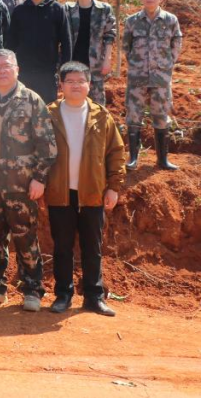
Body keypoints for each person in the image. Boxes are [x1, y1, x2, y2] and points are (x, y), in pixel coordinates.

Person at [0, 49, 57, 311]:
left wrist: (39, 179)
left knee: (25, 237)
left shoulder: (31, 100)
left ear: (17, 69)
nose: (2, 70)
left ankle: (32, 290)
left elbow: (47, 146)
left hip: (21, 185)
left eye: (6, 65)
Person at [46, 61, 126, 316]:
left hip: (92, 192)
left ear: (89, 85)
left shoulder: (101, 116)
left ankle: (93, 296)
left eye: (81, 81)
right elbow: (37, 152)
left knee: (93, 247)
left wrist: (113, 187)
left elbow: (116, 152)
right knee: (62, 247)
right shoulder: (49, 115)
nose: (76, 85)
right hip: (60, 192)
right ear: (61, 85)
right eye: (70, 81)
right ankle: (63, 295)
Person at [123, 0, 183, 171]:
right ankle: (133, 158)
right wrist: (136, 64)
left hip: (161, 77)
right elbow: (126, 46)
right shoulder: (132, 21)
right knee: (134, 115)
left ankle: (162, 160)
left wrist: (168, 63)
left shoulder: (170, 20)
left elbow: (177, 41)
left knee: (161, 115)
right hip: (137, 77)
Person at [5, 0, 71, 104]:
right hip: (23, 73)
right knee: (22, 110)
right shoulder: (19, 11)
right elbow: (11, 43)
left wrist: (65, 71)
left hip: (47, 74)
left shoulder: (57, 9)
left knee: (46, 111)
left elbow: (66, 42)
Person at [64, 0, 117, 106]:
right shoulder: (68, 9)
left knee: (97, 104)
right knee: (73, 101)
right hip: (73, 62)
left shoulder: (104, 9)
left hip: (96, 63)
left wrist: (107, 60)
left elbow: (109, 35)